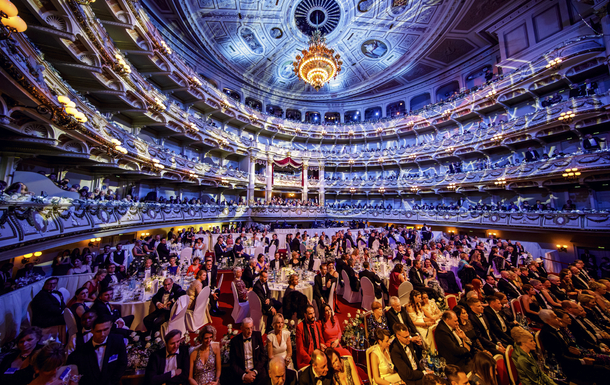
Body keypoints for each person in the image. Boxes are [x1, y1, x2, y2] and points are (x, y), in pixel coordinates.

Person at [538, 309, 610, 384]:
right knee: (604, 370)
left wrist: (580, 352)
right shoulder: (548, 334)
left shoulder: (557, 329)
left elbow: (571, 346)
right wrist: (582, 361)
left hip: (575, 359)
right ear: (547, 321)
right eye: (555, 317)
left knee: (605, 367)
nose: (559, 319)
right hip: (569, 367)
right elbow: (560, 357)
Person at [67, 315, 127, 385]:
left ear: (110, 326)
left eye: (105, 329)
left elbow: (122, 364)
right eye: (98, 331)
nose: (102, 334)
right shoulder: (80, 353)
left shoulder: (118, 341)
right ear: (92, 330)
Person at [229, 318, 267, 385]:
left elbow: (263, 356)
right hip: (243, 371)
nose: (250, 331)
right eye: (247, 328)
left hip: (257, 370)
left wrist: (254, 372)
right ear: (241, 328)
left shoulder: (257, 336)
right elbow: (233, 363)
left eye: (251, 328)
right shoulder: (235, 341)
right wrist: (244, 376)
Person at [296, 305, 325, 369]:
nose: (313, 316)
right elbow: (300, 349)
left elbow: (322, 341)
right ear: (305, 315)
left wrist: (322, 346)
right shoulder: (300, 327)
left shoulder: (317, 324)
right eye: (310, 314)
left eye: (313, 313)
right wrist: (311, 360)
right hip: (306, 360)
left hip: (317, 356)